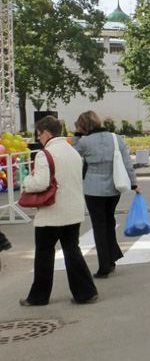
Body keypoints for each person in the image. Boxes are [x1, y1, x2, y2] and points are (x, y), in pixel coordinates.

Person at [20, 116, 99, 306]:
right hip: (73, 209)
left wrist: (27, 181)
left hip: (52, 212)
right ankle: (86, 292)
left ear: (46, 133)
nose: (39, 139)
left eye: (39, 134)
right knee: (72, 250)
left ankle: (38, 297)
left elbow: (40, 183)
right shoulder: (72, 151)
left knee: (44, 254)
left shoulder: (45, 154)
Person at [72, 110, 140, 278]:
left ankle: (104, 266)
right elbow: (127, 163)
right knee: (110, 222)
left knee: (99, 226)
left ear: (83, 126)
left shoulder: (85, 142)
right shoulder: (115, 138)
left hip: (93, 190)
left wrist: (77, 135)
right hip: (114, 187)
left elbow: (73, 154)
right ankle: (111, 259)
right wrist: (134, 183)